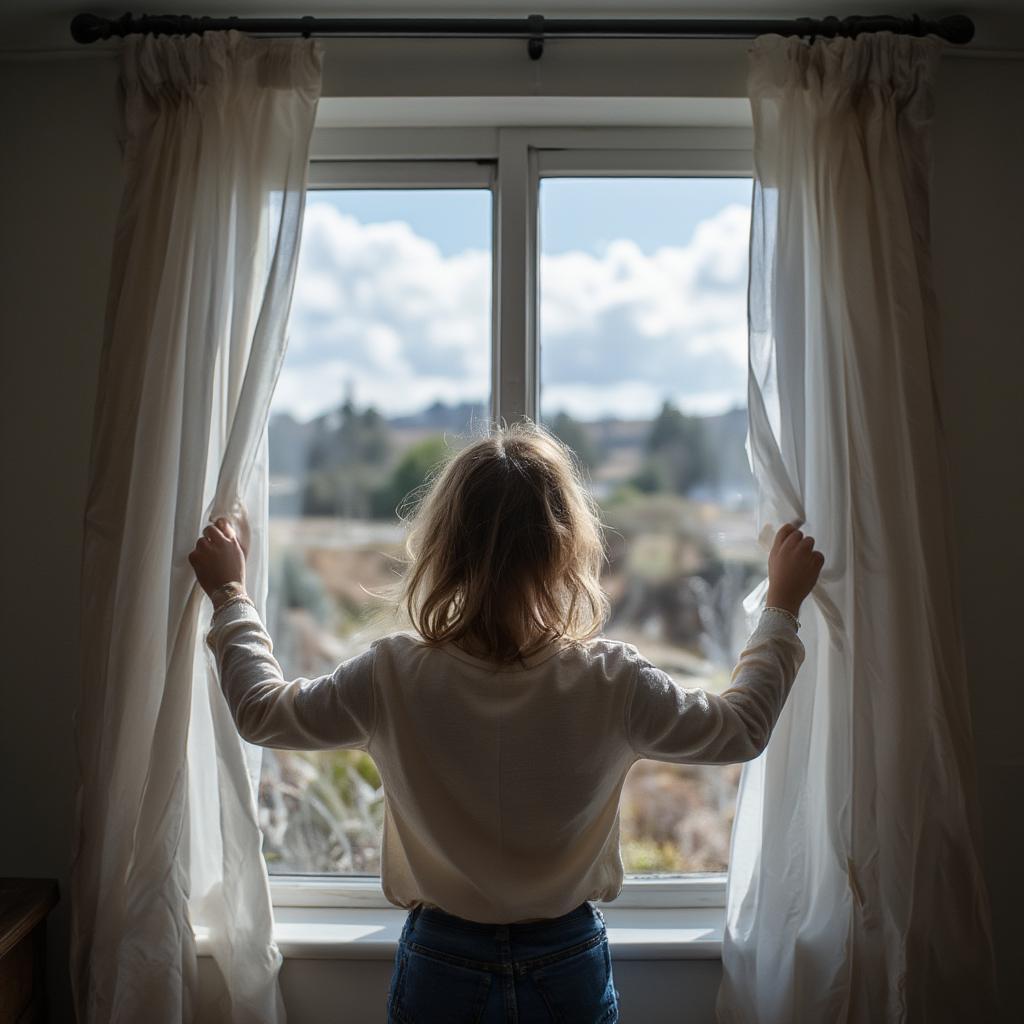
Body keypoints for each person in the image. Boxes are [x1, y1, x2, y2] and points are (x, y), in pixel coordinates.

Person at [189, 419, 823, 1024]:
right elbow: (741, 727)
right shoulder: (612, 680)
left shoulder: (392, 675)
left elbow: (263, 713)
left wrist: (229, 595)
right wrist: (782, 606)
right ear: (566, 552)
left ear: (445, 549)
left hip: (442, 957)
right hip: (565, 957)